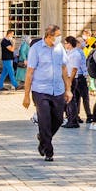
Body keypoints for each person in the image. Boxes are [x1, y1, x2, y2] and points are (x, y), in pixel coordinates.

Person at [22, 25, 72, 162]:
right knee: (44, 120)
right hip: (40, 90)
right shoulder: (36, 49)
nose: (59, 38)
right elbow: (30, 72)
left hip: (58, 89)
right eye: (57, 35)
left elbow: (64, 69)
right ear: (49, 36)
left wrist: (68, 89)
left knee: (58, 119)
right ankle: (48, 150)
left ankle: (43, 138)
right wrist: (26, 95)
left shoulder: (59, 48)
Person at [62, 35, 87, 127]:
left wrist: (69, 81)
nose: (64, 45)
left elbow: (74, 69)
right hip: (67, 78)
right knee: (69, 100)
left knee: (71, 100)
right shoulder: (69, 53)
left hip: (71, 78)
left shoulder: (75, 54)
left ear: (69, 44)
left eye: (66, 43)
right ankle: (70, 118)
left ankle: (73, 120)